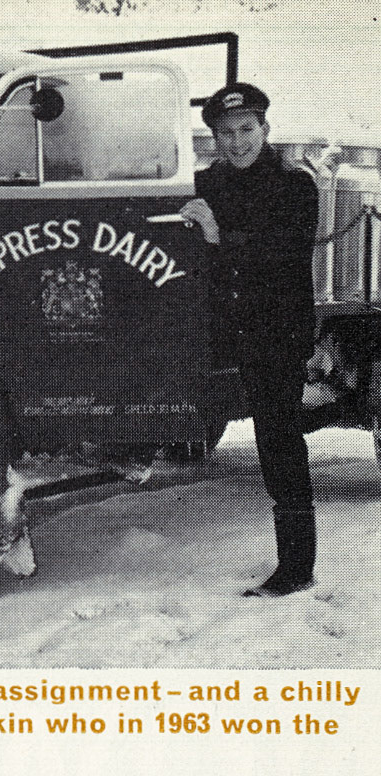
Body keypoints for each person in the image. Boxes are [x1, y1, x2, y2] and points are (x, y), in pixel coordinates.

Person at [179, 83, 320, 597]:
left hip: (274, 332)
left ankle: (297, 568)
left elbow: (281, 259)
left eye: (246, 130)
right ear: (213, 137)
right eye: (225, 133)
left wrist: (216, 237)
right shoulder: (201, 183)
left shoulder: (295, 186)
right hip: (219, 333)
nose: (237, 142)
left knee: (279, 442)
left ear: (265, 130)